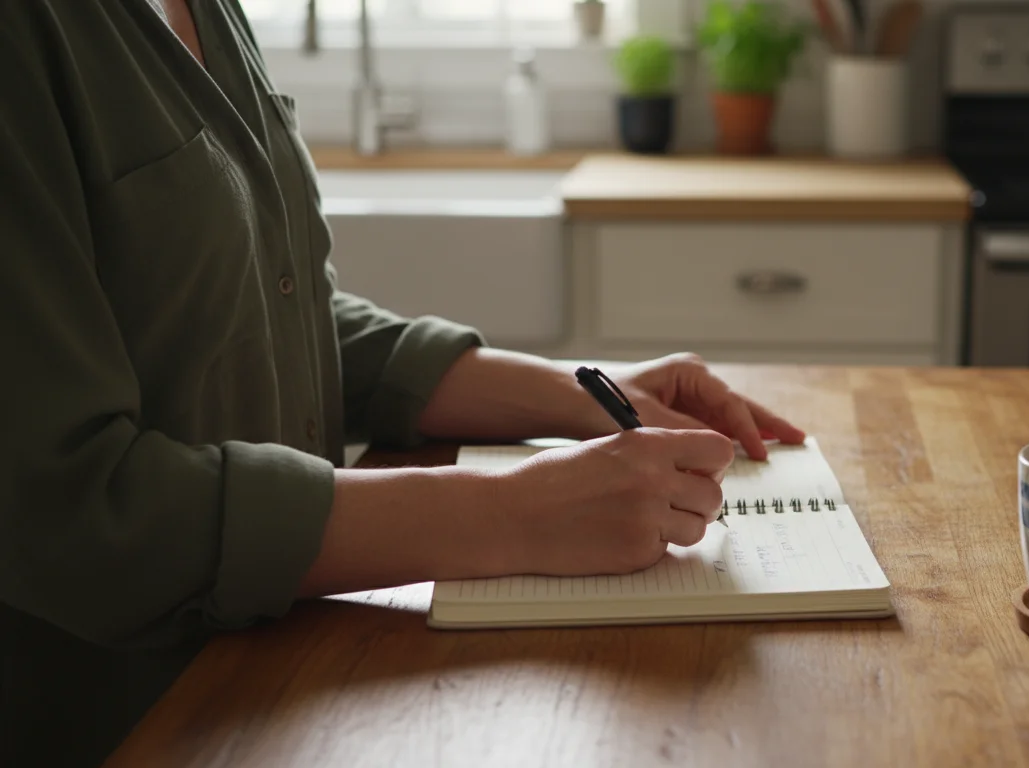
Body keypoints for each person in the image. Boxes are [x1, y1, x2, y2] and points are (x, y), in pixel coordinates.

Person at [0, 2, 807, 766]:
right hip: (127, 726)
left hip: (269, 686)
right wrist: (514, 515)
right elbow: (69, 511)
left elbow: (270, 316)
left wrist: (583, 395)